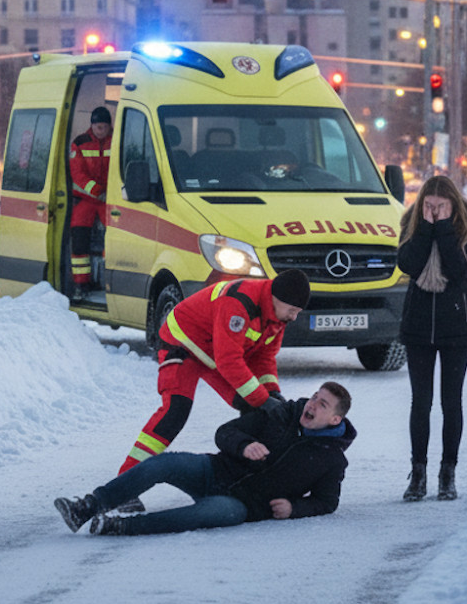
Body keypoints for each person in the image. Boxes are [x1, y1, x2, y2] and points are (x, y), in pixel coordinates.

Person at [112, 269, 310, 513]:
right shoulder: (240, 303)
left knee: (255, 408)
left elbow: (264, 357)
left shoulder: (277, 317)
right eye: (292, 310)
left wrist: (271, 392)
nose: (294, 318)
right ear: (275, 298)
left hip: (213, 351)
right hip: (182, 344)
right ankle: (124, 486)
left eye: (297, 312)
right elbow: (229, 361)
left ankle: (246, 479)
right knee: (175, 413)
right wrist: (262, 399)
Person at [55, 382, 355, 536]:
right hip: (214, 471)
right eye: (314, 397)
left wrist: (294, 508)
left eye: (323, 404)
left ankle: (121, 527)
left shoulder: (332, 459)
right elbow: (225, 432)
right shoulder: (281, 413)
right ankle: (87, 507)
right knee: (163, 463)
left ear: (335, 419)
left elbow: (327, 502)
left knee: (203, 514)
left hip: (244, 505)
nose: (312, 404)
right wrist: (244, 445)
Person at [397, 175, 467, 502]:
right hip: (418, 325)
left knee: (451, 402)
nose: (433, 211)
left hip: (456, 325)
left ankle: (448, 472)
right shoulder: (411, 223)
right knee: (421, 402)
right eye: (429, 206)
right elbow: (409, 264)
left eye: (440, 206)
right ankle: (418, 473)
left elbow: (459, 268)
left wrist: (443, 228)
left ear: (452, 204)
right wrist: (425, 229)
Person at [68, 106, 113, 301]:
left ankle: (109, 282)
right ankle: (81, 284)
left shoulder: (118, 140)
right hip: (87, 200)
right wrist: (96, 190)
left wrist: (108, 192)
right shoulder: (80, 143)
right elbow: (77, 174)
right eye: (97, 126)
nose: (100, 130)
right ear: (91, 125)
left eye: (104, 127)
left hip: (110, 200)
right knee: (79, 242)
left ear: (109, 126)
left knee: (114, 239)